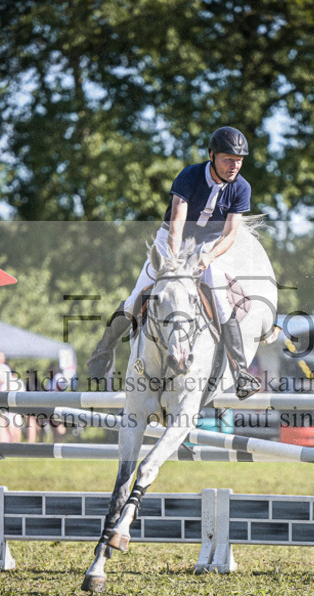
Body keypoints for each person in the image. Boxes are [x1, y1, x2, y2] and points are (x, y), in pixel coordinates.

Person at [86, 126, 262, 399]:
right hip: (170, 242)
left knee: (223, 304)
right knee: (137, 296)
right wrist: (174, 263)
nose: (234, 165)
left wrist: (209, 256)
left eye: (239, 160)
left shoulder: (241, 187)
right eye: (228, 159)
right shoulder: (190, 175)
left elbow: (230, 235)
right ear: (212, 155)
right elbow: (177, 222)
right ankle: (103, 350)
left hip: (206, 249)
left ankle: (240, 373)